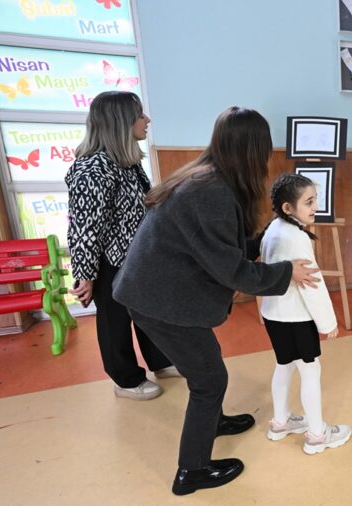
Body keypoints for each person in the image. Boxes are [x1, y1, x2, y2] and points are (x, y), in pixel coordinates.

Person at [112, 107, 321, 495]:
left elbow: (215, 249)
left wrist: (261, 241)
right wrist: (287, 272)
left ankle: (214, 421)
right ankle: (191, 471)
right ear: (252, 150)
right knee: (210, 380)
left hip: (156, 289)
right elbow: (231, 271)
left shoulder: (205, 175)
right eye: (263, 147)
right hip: (158, 299)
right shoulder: (212, 192)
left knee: (206, 366)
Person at [65, 91, 177, 401]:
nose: (147, 120)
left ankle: (161, 361)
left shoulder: (125, 161)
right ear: (121, 122)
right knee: (115, 321)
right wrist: (85, 274)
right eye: (141, 115)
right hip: (110, 262)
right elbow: (85, 227)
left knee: (149, 311)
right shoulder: (92, 169)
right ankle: (126, 380)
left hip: (137, 257)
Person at [261, 174, 352, 455]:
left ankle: (280, 421)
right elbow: (313, 285)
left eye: (315, 200)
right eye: (308, 202)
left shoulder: (273, 228)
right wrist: (328, 322)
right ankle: (316, 434)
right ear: (288, 208)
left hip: (273, 315)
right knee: (310, 370)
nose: (315, 207)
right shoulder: (297, 237)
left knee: (284, 364)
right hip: (296, 319)